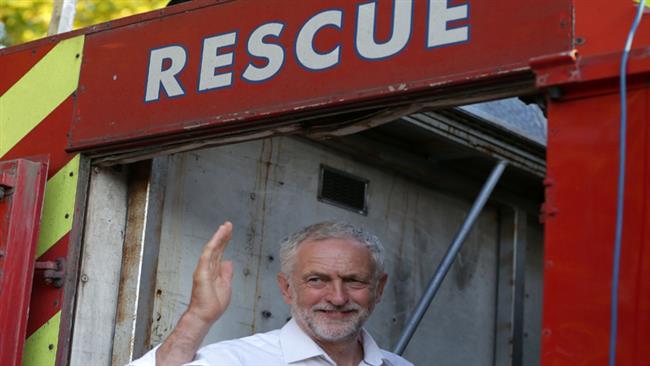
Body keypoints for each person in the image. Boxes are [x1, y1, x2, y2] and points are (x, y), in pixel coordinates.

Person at [129, 221, 413, 366]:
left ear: (379, 289)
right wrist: (197, 318)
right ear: (287, 288)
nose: (337, 298)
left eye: (354, 281)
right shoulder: (236, 361)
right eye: (317, 280)